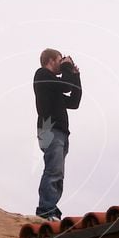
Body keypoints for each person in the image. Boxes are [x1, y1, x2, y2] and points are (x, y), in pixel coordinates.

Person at [33, 48, 82, 220]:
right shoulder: (41, 75)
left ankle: (50, 209)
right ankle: (45, 210)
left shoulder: (54, 87)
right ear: (52, 60)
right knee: (53, 171)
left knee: (58, 173)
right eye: (60, 60)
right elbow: (66, 85)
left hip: (60, 132)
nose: (62, 65)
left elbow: (74, 101)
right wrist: (68, 69)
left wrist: (76, 75)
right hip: (49, 129)